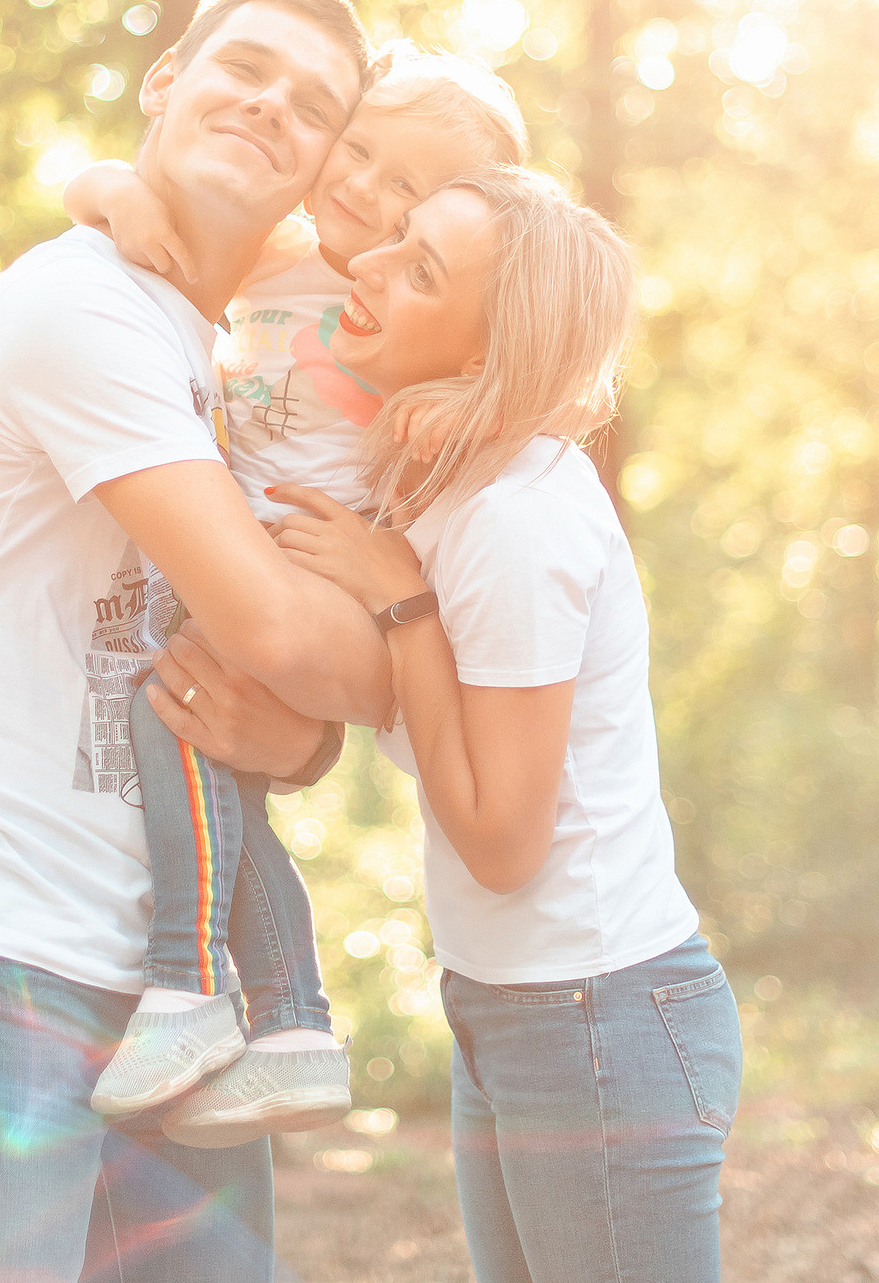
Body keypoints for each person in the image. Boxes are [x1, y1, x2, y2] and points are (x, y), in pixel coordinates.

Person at [0, 0, 395, 1283]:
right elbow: (271, 626)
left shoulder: (238, 346)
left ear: (322, 162)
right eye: (244, 69)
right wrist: (423, 654)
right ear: (167, 80)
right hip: (2, 965)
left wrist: (306, 733)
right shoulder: (78, 309)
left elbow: (260, 692)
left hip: (182, 992)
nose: (270, 107)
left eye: (312, 105)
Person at [173, 165, 742, 1283]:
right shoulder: (445, 494)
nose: (370, 264)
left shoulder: (512, 520)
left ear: (485, 354)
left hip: (595, 1016)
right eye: (394, 236)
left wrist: (406, 609)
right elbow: (410, 714)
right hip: (515, 1005)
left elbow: (503, 839)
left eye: (422, 270)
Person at [62, 48, 529, 1146]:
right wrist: (118, 191)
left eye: (404, 187)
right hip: (241, 549)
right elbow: (94, 189)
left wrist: (453, 411)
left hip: (312, 562)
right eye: (357, 150)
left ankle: (191, 981)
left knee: (165, 712)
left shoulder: (406, 306)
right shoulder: (275, 253)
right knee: (210, 761)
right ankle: (292, 1024)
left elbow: (510, 368)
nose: (361, 186)